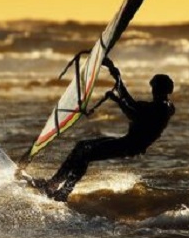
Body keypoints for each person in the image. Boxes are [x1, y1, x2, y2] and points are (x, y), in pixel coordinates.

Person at [33, 58, 176, 202]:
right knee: (81, 146)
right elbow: (131, 102)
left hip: (131, 146)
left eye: (154, 87)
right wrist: (116, 75)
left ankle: (64, 191)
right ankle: (53, 183)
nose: (152, 90)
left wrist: (117, 100)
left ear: (160, 89)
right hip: (127, 142)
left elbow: (133, 114)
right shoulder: (161, 105)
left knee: (86, 154)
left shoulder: (162, 108)